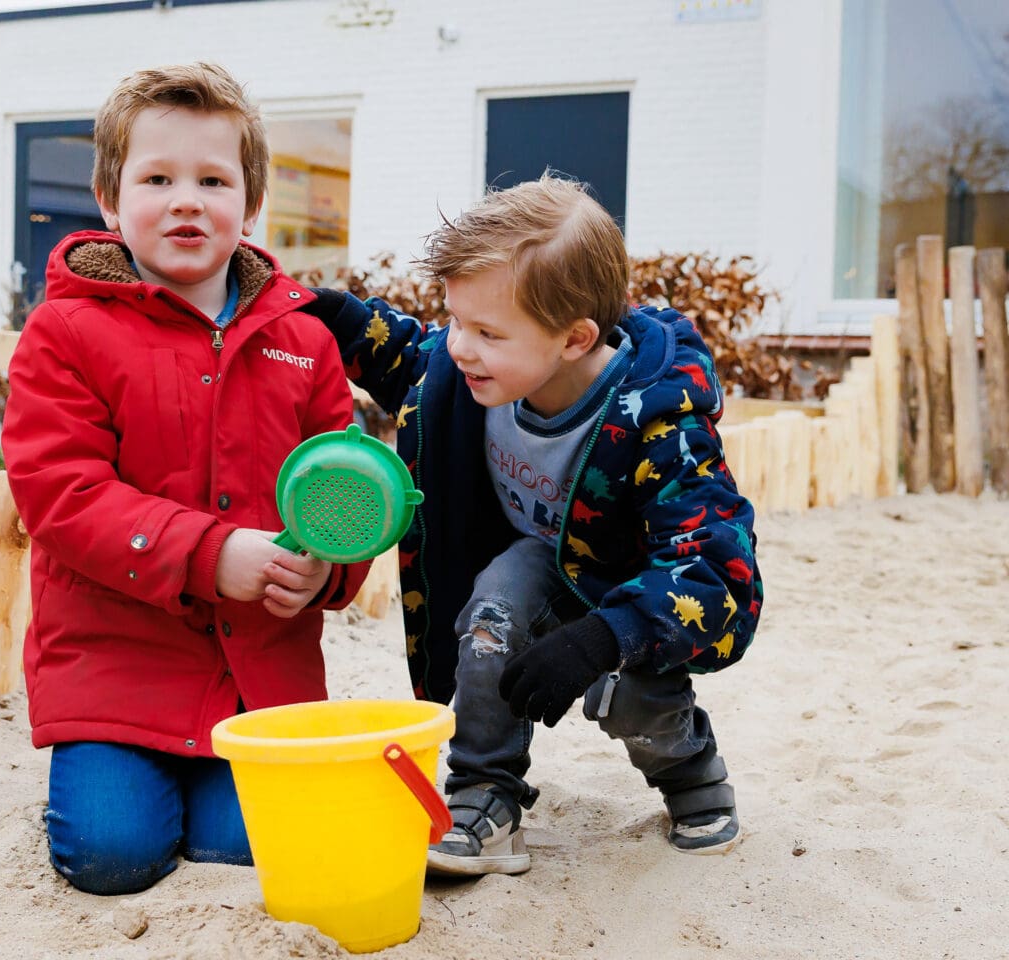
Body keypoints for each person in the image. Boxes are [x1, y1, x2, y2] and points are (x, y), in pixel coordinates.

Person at [303, 173, 763, 876]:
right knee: (490, 616)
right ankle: (482, 796)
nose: (459, 345)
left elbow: (717, 571)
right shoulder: (480, 369)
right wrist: (319, 309)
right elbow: (403, 354)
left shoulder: (659, 422)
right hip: (537, 556)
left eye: (486, 332)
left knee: (631, 699)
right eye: (457, 320)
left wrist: (601, 638)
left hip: (627, 587)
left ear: (575, 337)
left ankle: (693, 774)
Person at [1, 62, 369, 896]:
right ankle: (102, 790)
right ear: (108, 198)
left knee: (245, 848)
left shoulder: (301, 341)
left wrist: (326, 568)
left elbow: (341, 485)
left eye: (213, 179)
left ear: (250, 201)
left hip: (260, 679)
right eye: (157, 178)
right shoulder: (67, 331)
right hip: (117, 670)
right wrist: (207, 555)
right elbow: (61, 492)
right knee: (110, 857)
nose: (186, 200)